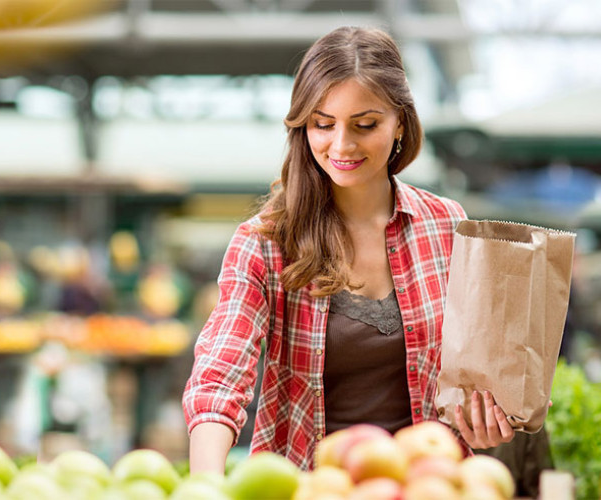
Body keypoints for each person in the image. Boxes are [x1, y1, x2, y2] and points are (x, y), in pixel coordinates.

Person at [182, 26, 514, 473]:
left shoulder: (446, 226)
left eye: (365, 124)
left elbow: (480, 373)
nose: (341, 145)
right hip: (311, 485)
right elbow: (222, 370)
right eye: (323, 124)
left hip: (427, 483)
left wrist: (488, 419)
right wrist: (206, 481)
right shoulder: (266, 241)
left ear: (400, 122)